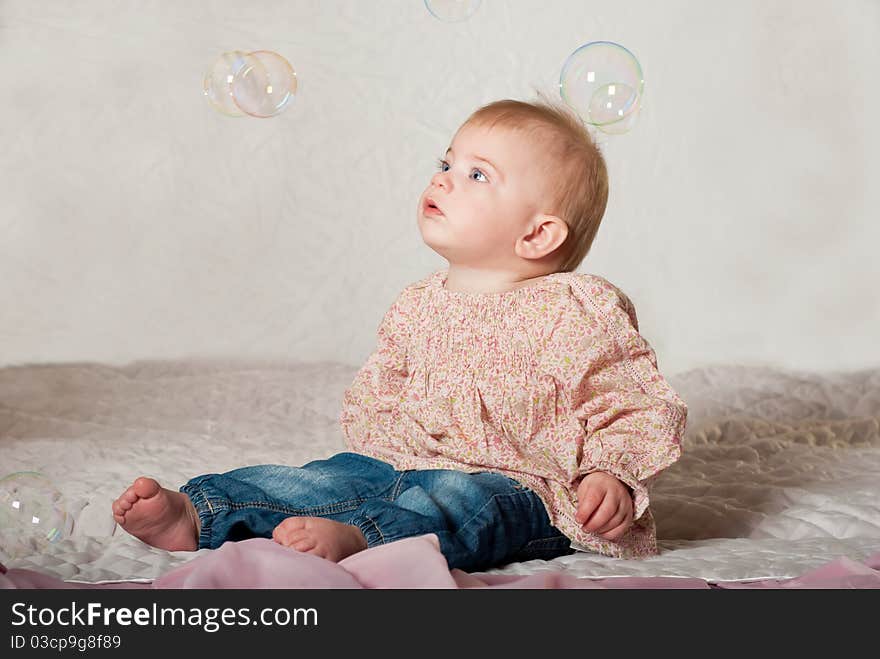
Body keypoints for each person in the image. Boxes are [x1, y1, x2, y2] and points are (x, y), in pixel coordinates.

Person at [112, 97, 688, 572]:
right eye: (446, 162)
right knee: (315, 479)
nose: (444, 178)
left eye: (477, 174)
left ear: (538, 235)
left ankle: (368, 541)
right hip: (398, 462)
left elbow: (632, 402)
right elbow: (380, 392)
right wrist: (377, 457)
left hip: (521, 482)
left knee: (466, 505)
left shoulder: (576, 308)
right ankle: (201, 510)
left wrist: (610, 472)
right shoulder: (418, 303)